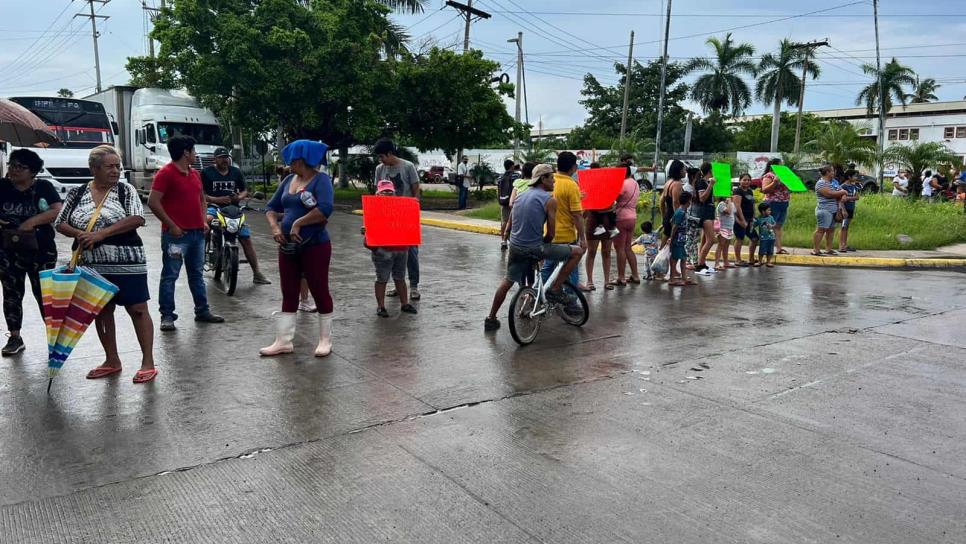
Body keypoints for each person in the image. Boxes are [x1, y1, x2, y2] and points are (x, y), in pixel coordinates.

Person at [55, 145, 156, 383]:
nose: (115, 171)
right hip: (92, 264)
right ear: (94, 168)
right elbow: (60, 222)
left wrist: (101, 235)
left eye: (117, 167)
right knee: (101, 310)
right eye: (109, 166)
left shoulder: (125, 190)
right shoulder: (77, 193)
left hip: (128, 261)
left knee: (138, 309)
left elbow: (137, 218)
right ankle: (112, 359)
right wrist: (80, 234)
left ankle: (148, 362)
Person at [484, 164, 585, 331]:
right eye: (551, 178)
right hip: (534, 248)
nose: (554, 181)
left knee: (507, 281)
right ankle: (556, 288)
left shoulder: (519, 196)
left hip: (516, 247)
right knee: (577, 252)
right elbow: (551, 234)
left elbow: (511, 224)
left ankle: (491, 318)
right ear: (542, 179)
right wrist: (543, 246)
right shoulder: (549, 200)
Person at [260, 139, 335, 358]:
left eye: (290, 160)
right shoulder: (288, 180)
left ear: (300, 159)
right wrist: (275, 228)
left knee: (319, 289)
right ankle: (283, 341)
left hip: (315, 245)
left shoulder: (321, 180)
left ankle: (325, 340)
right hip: (288, 246)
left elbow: (325, 209)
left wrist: (298, 223)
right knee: (289, 290)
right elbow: (271, 207)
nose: (287, 164)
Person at [147, 135, 224, 331]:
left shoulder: (195, 174)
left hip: (197, 234)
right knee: (170, 275)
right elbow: (153, 202)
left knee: (196, 274)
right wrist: (171, 225)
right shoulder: (165, 174)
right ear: (185, 153)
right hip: (176, 237)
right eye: (194, 151)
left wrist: (203, 220)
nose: (195, 154)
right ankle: (167, 315)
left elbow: (202, 199)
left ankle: (202, 310)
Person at [0, 149, 63, 355]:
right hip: (8, 250)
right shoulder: (2, 186)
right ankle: (15, 337)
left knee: (45, 294)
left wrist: (31, 222)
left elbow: (56, 210)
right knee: (11, 293)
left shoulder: (44, 186)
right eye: (12, 165)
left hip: (41, 250)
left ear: (33, 171)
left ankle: (54, 339)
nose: (14, 170)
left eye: (21, 166)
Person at [201, 146, 271, 285]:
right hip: (214, 208)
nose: (224, 160)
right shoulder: (206, 173)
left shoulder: (236, 172)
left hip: (233, 210)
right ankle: (202, 256)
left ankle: (257, 273)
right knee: (207, 222)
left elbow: (245, 190)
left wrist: (238, 197)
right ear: (215, 159)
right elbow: (201, 194)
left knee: (245, 237)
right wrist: (217, 200)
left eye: (226, 157)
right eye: (221, 157)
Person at [374, 138, 421, 300]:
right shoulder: (380, 169)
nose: (381, 160)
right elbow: (377, 192)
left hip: (406, 216)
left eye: (382, 156)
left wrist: (414, 208)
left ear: (390, 153)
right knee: (392, 253)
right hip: (388, 218)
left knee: (411, 252)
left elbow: (416, 190)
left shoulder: (408, 167)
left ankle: (414, 286)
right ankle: (398, 285)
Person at [363, 180, 417, 318]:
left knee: (400, 277)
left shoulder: (402, 208)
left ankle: (404, 303)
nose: (387, 193)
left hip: (401, 249)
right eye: (384, 191)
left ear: (394, 192)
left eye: (389, 191)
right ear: (378, 194)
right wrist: (367, 232)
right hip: (383, 251)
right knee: (382, 278)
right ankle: (381, 306)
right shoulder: (373, 210)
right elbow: (368, 236)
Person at [543, 152, 587, 288]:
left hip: (548, 233)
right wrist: (583, 238)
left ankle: (540, 294)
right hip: (566, 235)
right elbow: (577, 215)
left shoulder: (548, 181)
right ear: (574, 167)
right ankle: (570, 299)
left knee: (548, 268)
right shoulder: (571, 185)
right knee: (571, 270)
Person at [613, 165, 641, 285]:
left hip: (621, 218)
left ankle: (621, 277)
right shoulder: (635, 183)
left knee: (619, 249)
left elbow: (615, 198)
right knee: (628, 247)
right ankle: (635, 275)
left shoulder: (623, 184)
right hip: (632, 217)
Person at [812, 165, 848, 256]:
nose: (834, 173)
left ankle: (828, 249)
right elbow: (829, 194)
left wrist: (843, 194)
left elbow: (841, 190)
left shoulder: (833, 182)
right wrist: (843, 193)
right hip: (824, 209)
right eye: (832, 171)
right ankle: (816, 249)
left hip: (833, 210)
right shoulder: (821, 183)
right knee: (821, 229)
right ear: (827, 172)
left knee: (831, 230)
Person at [661, 191, 694, 286]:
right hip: (677, 239)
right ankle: (671, 279)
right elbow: (674, 226)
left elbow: (672, 221)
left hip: (681, 239)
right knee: (674, 258)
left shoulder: (681, 211)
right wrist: (671, 238)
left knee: (683, 258)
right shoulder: (680, 212)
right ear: (688, 201)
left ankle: (684, 277)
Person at [761, 158, 791, 255]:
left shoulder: (784, 176)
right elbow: (764, 189)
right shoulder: (769, 175)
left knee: (778, 226)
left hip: (783, 203)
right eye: (781, 164)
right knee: (769, 226)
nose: (782, 166)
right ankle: (765, 249)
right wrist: (774, 182)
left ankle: (778, 248)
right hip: (773, 203)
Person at [693, 163, 718, 276]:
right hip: (704, 212)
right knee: (711, 239)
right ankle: (700, 265)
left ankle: (702, 263)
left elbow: (710, 198)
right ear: (710, 171)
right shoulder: (701, 182)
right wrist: (711, 185)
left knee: (705, 239)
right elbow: (702, 198)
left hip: (710, 211)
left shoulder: (707, 182)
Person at [586, 162, 619, 240]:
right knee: (610, 214)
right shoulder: (605, 177)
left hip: (599, 206)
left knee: (596, 211)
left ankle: (600, 226)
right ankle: (613, 228)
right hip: (609, 205)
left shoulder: (593, 178)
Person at [732, 173, 758, 266]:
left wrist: (754, 217)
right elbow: (737, 207)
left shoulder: (750, 191)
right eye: (744, 180)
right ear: (740, 181)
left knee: (755, 238)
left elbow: (752, 204)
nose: (746, 182)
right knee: (740, 238)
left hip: (749, 219)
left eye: (748, 180)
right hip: (740, 219)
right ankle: (738, 260)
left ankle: (751, 259)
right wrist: (742, 220)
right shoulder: (737, 191)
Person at [659, 160, 686, 243]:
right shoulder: (677, 184)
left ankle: (660, 255)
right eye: (684, 169)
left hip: (668, 214)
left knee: (665, 240)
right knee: (674, 244)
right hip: (674, 216)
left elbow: (661, 201)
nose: (685, 172)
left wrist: (664, 216)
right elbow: (676, 202)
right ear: (679, 170)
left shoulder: (668, 183)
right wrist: (678, 219)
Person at [496, 159, 520, 250]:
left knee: (505, 221)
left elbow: (498, 190)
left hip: (504, 202)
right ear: (512, 166)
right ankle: (513, 241)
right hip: (514, 201)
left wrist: (500, 200)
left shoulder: (500, 177)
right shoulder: (517, 175)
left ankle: (503, 241)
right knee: (514, 222)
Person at [839, 170, 861, 252]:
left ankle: (845, 244)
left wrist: (848, 198)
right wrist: (843, 210)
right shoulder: (843, 186)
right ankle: (841, 246)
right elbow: (841, 200)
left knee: (846, 227)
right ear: (849, 177)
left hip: (851, 208)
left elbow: (857, 197)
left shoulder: (853, 186)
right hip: (845, 209)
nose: (856, 177)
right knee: (843, 227)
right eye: (854, 176)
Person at [714, 196, 736, 270]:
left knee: (726, 246)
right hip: (722, 228)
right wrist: (729, 201)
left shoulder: (731, 203)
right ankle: (716, 263)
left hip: (730, 228)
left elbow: (733, 213)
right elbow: (729, 212)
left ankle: (726, 262)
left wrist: (731, 202)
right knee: (721, 245)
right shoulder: (721, 204)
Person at [754, 203, 778, 267]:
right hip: (763, 238)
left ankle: (768, 262)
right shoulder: (759, 218)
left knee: (770, 250)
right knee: (762, 250)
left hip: (771, 237)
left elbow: (774, 224)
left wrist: (772, 226)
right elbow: (754, 225)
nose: (770, 211)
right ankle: (760, 261)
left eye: (770, 210)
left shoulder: (771, 217)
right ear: (763, 211)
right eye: (768, 210)